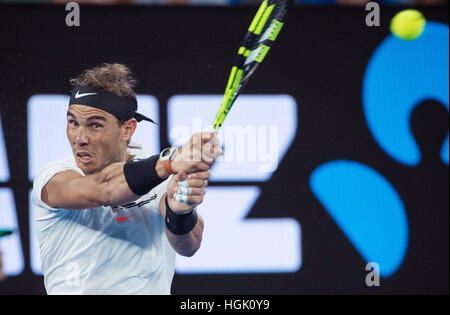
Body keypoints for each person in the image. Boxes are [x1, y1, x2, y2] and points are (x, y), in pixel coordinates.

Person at [31, 63, 222, 294]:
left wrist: (180, 211)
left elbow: (189, 245)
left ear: (127, 129)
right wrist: (169, 162)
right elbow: (105, 189)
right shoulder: (53, 177)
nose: (79, 137)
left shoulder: (159, 179)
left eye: (94, 125)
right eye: (73, 122)